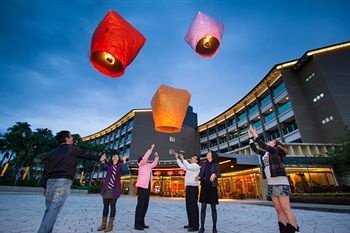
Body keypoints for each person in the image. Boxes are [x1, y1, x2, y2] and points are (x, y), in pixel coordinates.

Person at [38, 130, 104, 233]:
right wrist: (99, 157)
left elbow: (45, 171)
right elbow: (86, 154)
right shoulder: (71, 149)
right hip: (63, 182)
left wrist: (44, 186)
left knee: (49, 210)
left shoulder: (51, 152)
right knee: (54, 210)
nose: (72, 138)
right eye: (71, 137)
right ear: (67, 138)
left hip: (50, 182)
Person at [248, 126, 299, 233]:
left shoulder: (277, 151)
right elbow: (255, 149)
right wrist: (250, 137)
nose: (269, 141)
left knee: (286, 209)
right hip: (271, 184)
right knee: (279, 210)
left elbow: (263, 145)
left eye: (271, 141)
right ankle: (283, 230)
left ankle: (293, 227)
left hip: (280, 182)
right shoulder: (265, 154)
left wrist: (255, 134)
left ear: (275, 144)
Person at [97, 153, 129, 232]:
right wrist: (102, 161)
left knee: (113, 207)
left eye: (116, 156)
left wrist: (124, 161)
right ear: (111, 158)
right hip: (106, 189)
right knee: (105, 207)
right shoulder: (108, 166)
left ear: (118, 159)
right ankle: (103, 224)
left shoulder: (120, 166)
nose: (114, 157)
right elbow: (101, 168)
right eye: (113, 156)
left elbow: (125, 172)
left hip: (115, 190)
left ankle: (110, 225)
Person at [134, 144, 159, 230]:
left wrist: (156, 157)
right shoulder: (141, 164)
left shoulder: (148, 166)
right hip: (141, 187)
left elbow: (154, 164)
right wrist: (151, 149)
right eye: (145, 159)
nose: (147, 159)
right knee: (140, 205)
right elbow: (145, 158)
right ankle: (137, 224)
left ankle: (142, 222)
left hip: (147, 187)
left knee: (145, 205)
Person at [175, 152, 200, 232]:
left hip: (193, 188)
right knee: (188, 206)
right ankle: (190, 223)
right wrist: (177, 159)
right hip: (189, 188)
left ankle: (195, 225)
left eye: (193, 157)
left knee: (193, 207)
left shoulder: (195, 166)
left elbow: (188, 166)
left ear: (196, 161)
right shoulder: (190, 167)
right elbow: (183, 166)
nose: (191, 158)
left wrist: (183, 158)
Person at [197, 150, 220, 233]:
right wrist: (199, 177)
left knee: (213, 208)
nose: (207, 154)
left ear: (212, 155)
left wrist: (215, 174)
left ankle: (214, 227)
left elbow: (219, 173)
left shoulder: (216, 164)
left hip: (212, 187)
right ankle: (202, 227)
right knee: (203, 208)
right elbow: (200, 175)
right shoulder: (204, 164)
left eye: (208, 153)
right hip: (204, 186)